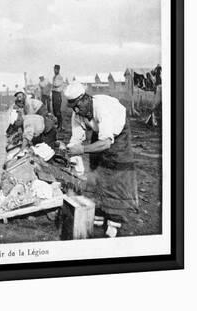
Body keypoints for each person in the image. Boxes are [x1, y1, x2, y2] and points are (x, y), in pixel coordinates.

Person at [64, 82, 138, 237]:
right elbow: (76, 138)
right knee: (96, 168)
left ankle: (114, 221)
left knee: (116, 172)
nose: (77, 110)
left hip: (117, 134)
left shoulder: (102, 108)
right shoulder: (77, 113)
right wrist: (71, 152)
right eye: (73, 107)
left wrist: (83, 149)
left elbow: (106, 142)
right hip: (101, 133)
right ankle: (98, 212)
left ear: (85, 99)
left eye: (78, 106)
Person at [52, 64, 64, 131]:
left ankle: (60, 126)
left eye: (56, 69)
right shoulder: (54, 77)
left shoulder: (59, 77)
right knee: (54, 110)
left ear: (59, 70)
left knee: (57, 111)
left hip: (57, 94)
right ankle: (58, 125)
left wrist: (53, 84)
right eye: (54, 69)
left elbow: (56, 84)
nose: (55, 70)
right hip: (54, 94)